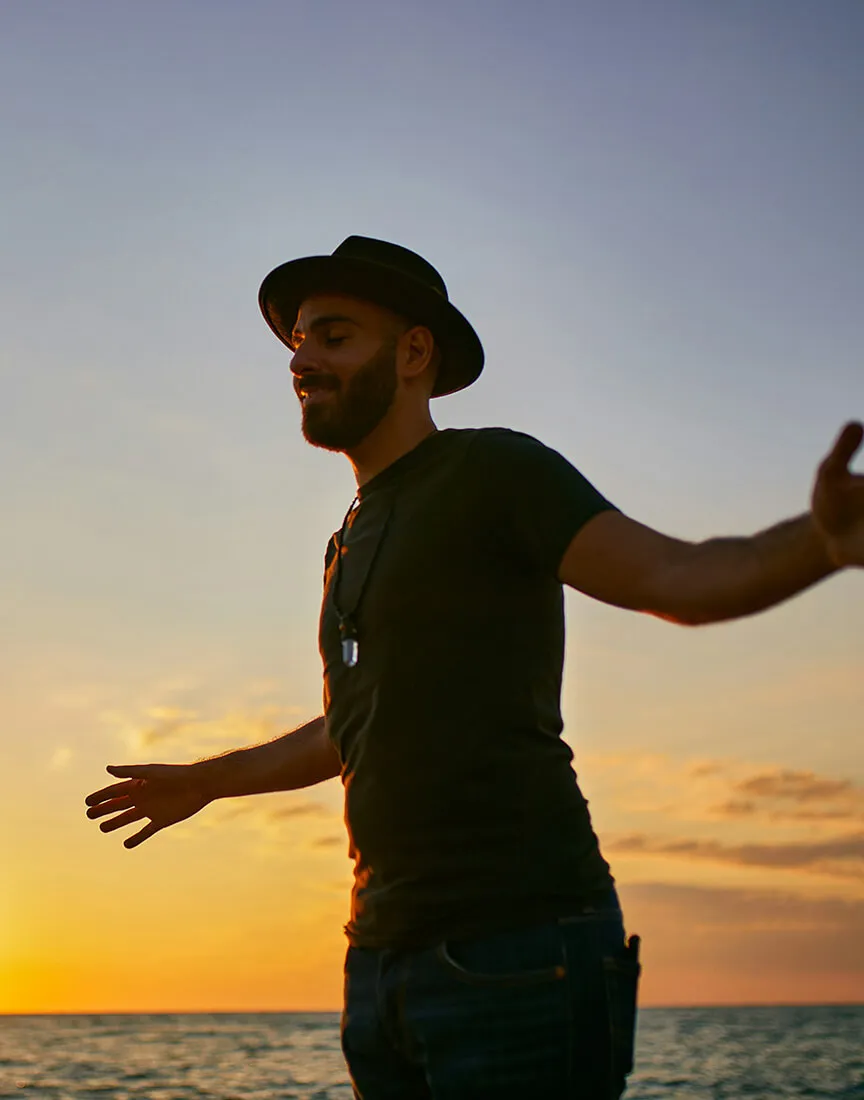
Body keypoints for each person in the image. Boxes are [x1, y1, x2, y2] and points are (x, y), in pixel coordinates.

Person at [85, 236, 864, 1099]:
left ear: (414, 352)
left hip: (520, 952)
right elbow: (355, 725)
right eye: (298, 341)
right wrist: (206, 781)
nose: (302, 359)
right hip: (380, 962)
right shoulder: (348, 540)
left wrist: (821, 543)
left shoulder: (495, 472)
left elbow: (675, 576)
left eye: (334, 335)